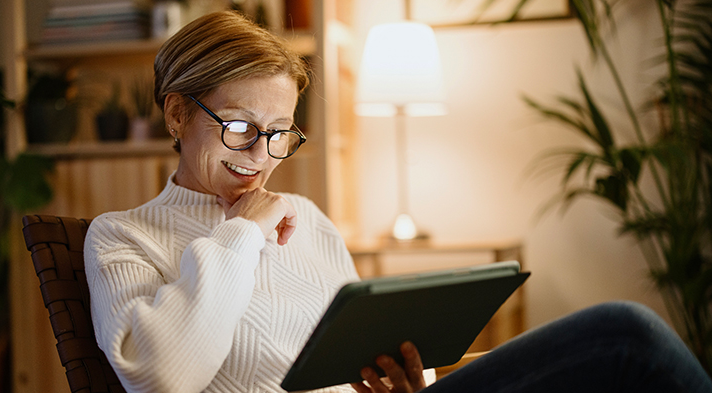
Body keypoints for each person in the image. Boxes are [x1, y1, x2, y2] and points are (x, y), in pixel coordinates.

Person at [83, 11, 712, 393]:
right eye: (242, 127)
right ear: (176, 112)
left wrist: (414, 381)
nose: (261, 155)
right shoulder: (122, 237)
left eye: (280, 134)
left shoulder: (311, 225)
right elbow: (162, 377)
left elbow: (367, 347)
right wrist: (240, 235)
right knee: (625, 338)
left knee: (618, 369)